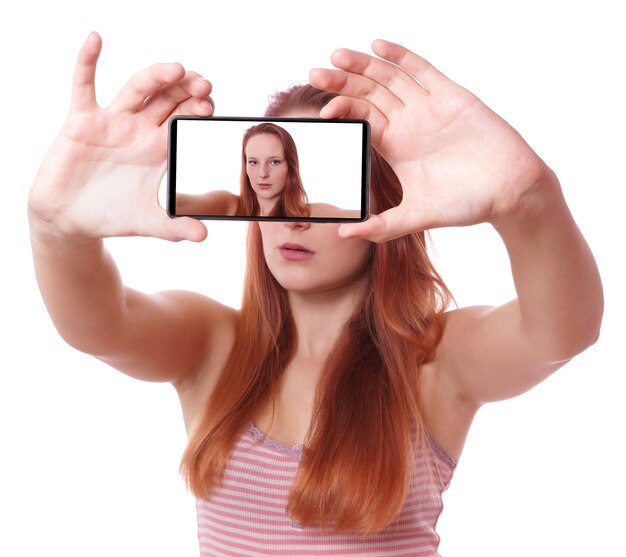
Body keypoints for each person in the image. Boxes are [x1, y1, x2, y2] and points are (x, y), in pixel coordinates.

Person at [28, 32, 603, 556]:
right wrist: (57, 228)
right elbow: (98, 325)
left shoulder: (435, 359)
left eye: (323, 184)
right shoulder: (214, 342)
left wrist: (532, 201)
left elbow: (559, 332)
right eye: (262, 179)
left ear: (387, 198)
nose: (292, 220)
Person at [175, 122, 311, 217]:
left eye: (274, 162)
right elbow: (179, 203)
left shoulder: (310, 214)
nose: (263, 173)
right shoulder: (231, 205)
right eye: (253, 162)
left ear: (290, 166)